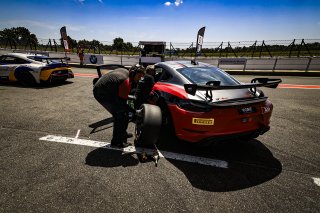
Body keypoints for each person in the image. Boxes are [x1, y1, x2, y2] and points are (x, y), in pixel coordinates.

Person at [93, 67, 143, 148]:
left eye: (142, 76)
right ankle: (116, 142)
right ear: (133, 74)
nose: (140, 79)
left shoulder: (126, 72)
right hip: (101, 93)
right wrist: (135, 111)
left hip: (107, 89)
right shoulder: (126, 82)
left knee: (124, 113)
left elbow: (121, 93)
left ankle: (123, 133)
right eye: (139, 76)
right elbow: (122, 103)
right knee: (120, 116)